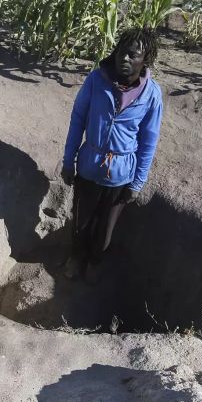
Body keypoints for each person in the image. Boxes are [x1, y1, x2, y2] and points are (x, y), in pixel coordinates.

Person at [60, 27, 163, 283]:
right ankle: (76, 257)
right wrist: (68, 160)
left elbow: (148, 141)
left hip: (121, 173)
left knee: (106, 227)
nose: (124, 59)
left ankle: (95, 262)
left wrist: (137, 182)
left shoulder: (151, 95)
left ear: (145, 60)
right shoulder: (96, 80)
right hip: (89, 166)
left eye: (132, 55)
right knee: (82, 219)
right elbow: (78, 120)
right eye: (120, 53)